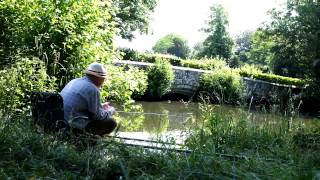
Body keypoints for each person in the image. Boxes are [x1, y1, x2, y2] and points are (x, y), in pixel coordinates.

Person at [60, 62, 117, 136]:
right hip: (72, 126)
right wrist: (110, 111)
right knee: (111, 123)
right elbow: (97, 116)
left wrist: (101, 106)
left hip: (60, 121)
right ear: (99, 78)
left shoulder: (74, 81)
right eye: (104, 79)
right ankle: (89, 141)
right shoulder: (92, 89)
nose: (104, 81)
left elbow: (81, 105)